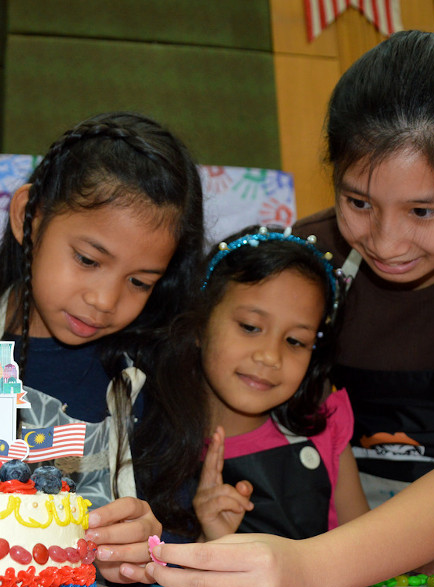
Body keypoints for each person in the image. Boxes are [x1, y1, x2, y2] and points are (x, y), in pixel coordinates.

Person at [139, 30, 434, 587]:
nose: (386, 242)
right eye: (358, 202)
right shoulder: (302, 263)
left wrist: (310, 569)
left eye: (424, 211)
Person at [0, 110, 204, 584]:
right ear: (28, 217)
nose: (105, 300)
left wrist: (151, 550)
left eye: (139, 281)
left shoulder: (150, 376)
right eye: (88, 259)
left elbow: (180, 543)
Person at [135, 227, 368, 545]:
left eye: (295, 341)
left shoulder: (323, 428)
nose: (270, 356)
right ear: (199, 324)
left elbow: (368, 552)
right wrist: (210, 537)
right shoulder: (148, 435)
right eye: (250, 327)